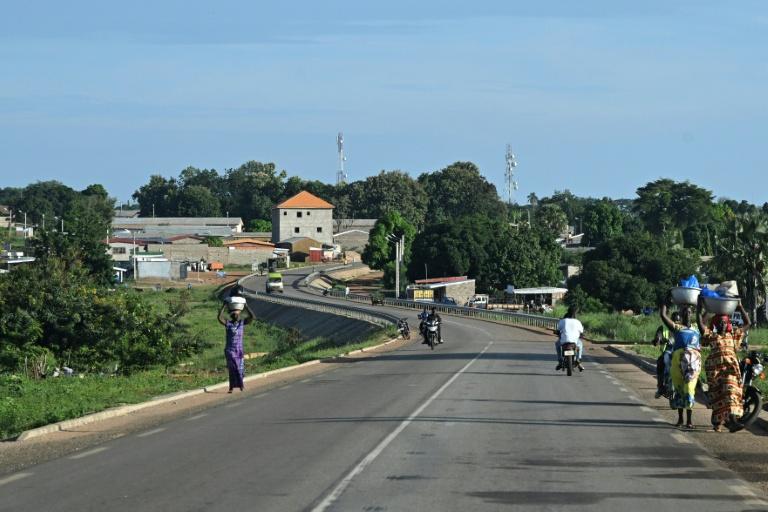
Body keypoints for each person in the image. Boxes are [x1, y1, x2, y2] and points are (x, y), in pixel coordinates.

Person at [698, 297, 751, 432]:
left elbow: (748, 323)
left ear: (728, 324)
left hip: (730, 370)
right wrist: (703, 307)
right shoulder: (712, 335)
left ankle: (733, 422)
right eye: (720, 322)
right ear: (715, 324)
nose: (722, 324)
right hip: (715, 371)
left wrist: (740, 307)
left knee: (730, 392)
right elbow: (700, 323)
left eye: (725, 322)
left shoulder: (733, 335)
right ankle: (719, 422)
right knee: (718, 397)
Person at [660, 297, 701, 429]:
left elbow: (705, 315)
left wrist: (702, 301)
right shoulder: (677, 327)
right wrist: (665, 302)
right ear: (681, 315)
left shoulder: (697, 328)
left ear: (692, 314)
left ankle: (689, 420)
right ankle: (680, 419)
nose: (687, 314)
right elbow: (663, 315)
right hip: (677, 363)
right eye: (684, 312)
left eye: (689, 312)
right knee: (679, 390)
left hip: (693, 364)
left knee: (689, 389)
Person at [217, 298, 256, 393]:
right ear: (231, 316)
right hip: (230, 351)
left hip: (239, 351)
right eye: (234, 314)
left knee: (239, 369)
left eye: (237, 314)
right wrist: (224, 306)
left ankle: (240, 385)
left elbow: (253, 317)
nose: (236, 315)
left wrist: (246, 306)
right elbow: (219, 317)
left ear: (239, 316)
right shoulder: (228, 324)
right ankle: (231, 387)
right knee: (232, 368)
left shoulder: (241, 323)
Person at [653, 311, 681, 399]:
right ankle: (660, 387)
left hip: (681, 353)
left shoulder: (683, 329)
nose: (676, 323)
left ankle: (697, 384)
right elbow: (658, 337)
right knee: (660, 362)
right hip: (668, 351)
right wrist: (658, 339)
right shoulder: (663, 328)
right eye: (674, 321)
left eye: (678, 321)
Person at [555, 307, 584, 371]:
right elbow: (581, 332)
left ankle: (560, 360)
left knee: (557, 344)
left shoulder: (563, 321)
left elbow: (558, 330)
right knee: (580, 344)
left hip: (564, 341)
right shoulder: (578, 322)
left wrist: (557, 332)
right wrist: (581, 335)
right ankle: (578, 358)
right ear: (575, 314)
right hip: (575, 341)